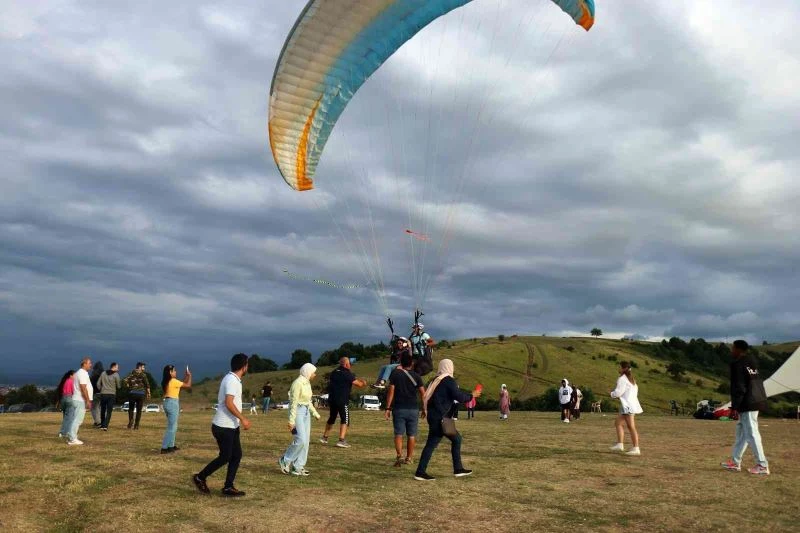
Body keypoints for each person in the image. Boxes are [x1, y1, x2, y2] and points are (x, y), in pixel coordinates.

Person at [414, 359, 482, 481]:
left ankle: (421, 471)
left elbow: (427, 397)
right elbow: (459, 396)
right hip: (443, 418)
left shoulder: (435, 380)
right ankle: (457, 469)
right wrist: (472, 395)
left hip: (435, 416)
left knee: (434, 443)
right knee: (454, 440)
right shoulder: (448, 380)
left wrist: (425, 409)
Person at [193, 354, 250, 496]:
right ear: (244, 366)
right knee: (226, 456)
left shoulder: (232, 379)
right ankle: (200, 477)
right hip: (224, 426)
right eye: (247, 364)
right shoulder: (232, 380)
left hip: (231, 425)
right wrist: (243, 418)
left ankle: (228, 487)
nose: (247, 367)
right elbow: (229, 403)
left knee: (236, 455)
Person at [721, 340, 770, 475]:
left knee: (752, 433)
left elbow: (739, 387)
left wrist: (735, 406)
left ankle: (762, 465)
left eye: (733, 348)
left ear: (738, 350)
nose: (732, 351)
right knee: (742, 432)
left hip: (748, 402)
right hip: (755, 399)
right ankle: (735, 462)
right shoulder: (751, 361)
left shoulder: (738, 364)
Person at [384, 351, 425, 467]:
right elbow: (423, 393)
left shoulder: (395, 374)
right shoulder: (417, 376)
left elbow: (391, 391)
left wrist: (387, 408)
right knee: (411, 435)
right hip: (413, 409)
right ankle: (409, 458)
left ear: (401, 363)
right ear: (412, 363)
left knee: (398, 433)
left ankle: (399, 456)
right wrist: (424, 408)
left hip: (399, 408)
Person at [279, 363, 321, 476]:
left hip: (306, 412)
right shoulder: (297, 383)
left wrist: (315, 413)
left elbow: (308, 401)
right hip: (298, 412)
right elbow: (293, 402)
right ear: (307, 372)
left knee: (306, 441)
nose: (315, 375)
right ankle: (285, 460)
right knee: (301, 439)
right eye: (313, 372)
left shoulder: (307, 383)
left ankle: (298, 466)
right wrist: (291, 420)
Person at [320, 357, 367, 448]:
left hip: (332, 399)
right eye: (349, 363)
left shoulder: (334, 372)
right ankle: (341, 440)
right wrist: (364, 382)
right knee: (345, 419)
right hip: (342, 400)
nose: (350, 365)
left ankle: (324, 437)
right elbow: (359, 384)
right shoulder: (347, 373)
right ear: (346, 364)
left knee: (332, 417)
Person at [609, 361, 643, 456]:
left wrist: (611, 394)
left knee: (631, 426)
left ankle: (636, 448)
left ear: (624, 369)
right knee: (618, 423)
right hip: (629, 405)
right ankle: (620, 444)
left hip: (627, 406)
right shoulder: (632, 379)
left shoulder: (622, 379)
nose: (618, 368)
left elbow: (618, 392)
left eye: (619, 367)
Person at [160, 364, 192, 454]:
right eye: (174, 370)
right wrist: (190, 376)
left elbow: (181, 385)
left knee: (173, 426)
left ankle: (171, 446)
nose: (175, 372)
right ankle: (164, 447)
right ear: (170, 372)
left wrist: (186, 377)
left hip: (167, 402)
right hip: (172, 403)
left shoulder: (167, 381)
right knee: (171, 427)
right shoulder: (173, 381)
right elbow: (188, 385)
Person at [67, 357, 93, 446]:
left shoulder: (79, 373)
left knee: (75, 419)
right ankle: (73, 438)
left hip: (77, 399)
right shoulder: (82, 373)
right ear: (84, 364)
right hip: (80, 400)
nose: (91, 365)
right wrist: (87, 400)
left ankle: (72, 435)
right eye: (89, 363)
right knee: (78, 420)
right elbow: (83, 387)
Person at [123, 362, 150, 430]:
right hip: (141, 394)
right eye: (143, 367)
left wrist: (129, 386)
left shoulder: (131, 374)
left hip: (132, 393)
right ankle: (136, 425)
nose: (144, 368)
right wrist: (148, 393)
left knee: (131, 409)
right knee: (139, 410)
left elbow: (125, 380)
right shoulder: (143, 375)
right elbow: (147, 384)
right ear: (139, 367)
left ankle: (131, 421)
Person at [96, 362, 122, 430]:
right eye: (117, 367)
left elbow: (98, 383)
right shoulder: (116, 375)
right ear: (114, 367)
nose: (118, 369)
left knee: (103, 410)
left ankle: (102, 425)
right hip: (111, 394)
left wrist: (101, 389)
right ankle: (105, 426)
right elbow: (119, 386)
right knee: (109, 411)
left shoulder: (103, 373)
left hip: (103, 394)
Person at [56, 370, 75, 438]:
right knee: (70, 417)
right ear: (71, 375)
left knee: (65, 417)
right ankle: (63, 432)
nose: (75, 377)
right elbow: (74, 391)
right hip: (69, 398)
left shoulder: (64, 381)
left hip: (63, 399)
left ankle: (65, 431)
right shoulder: (71, 381)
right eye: (74, 375)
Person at [89, 361, 104, 428]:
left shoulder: (93, 375)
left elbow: (90, 384)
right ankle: (101, 421)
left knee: (94, 408)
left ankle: (98, 422)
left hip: (95, 393)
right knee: (100, 408)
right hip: (103, 393)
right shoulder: (104, 374)